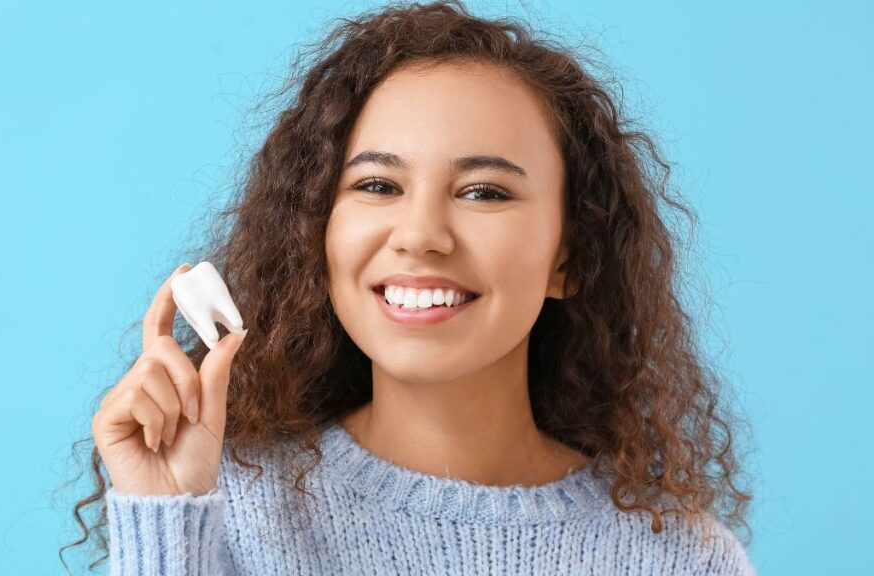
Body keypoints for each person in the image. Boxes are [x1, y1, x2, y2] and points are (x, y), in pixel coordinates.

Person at [60, 1, 756, 574]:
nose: (421, 234)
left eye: (484, 191)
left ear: (570, 258)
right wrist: (164, 523)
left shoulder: (684, 560)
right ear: (317, 236)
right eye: (377, 185)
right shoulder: (221, 513)